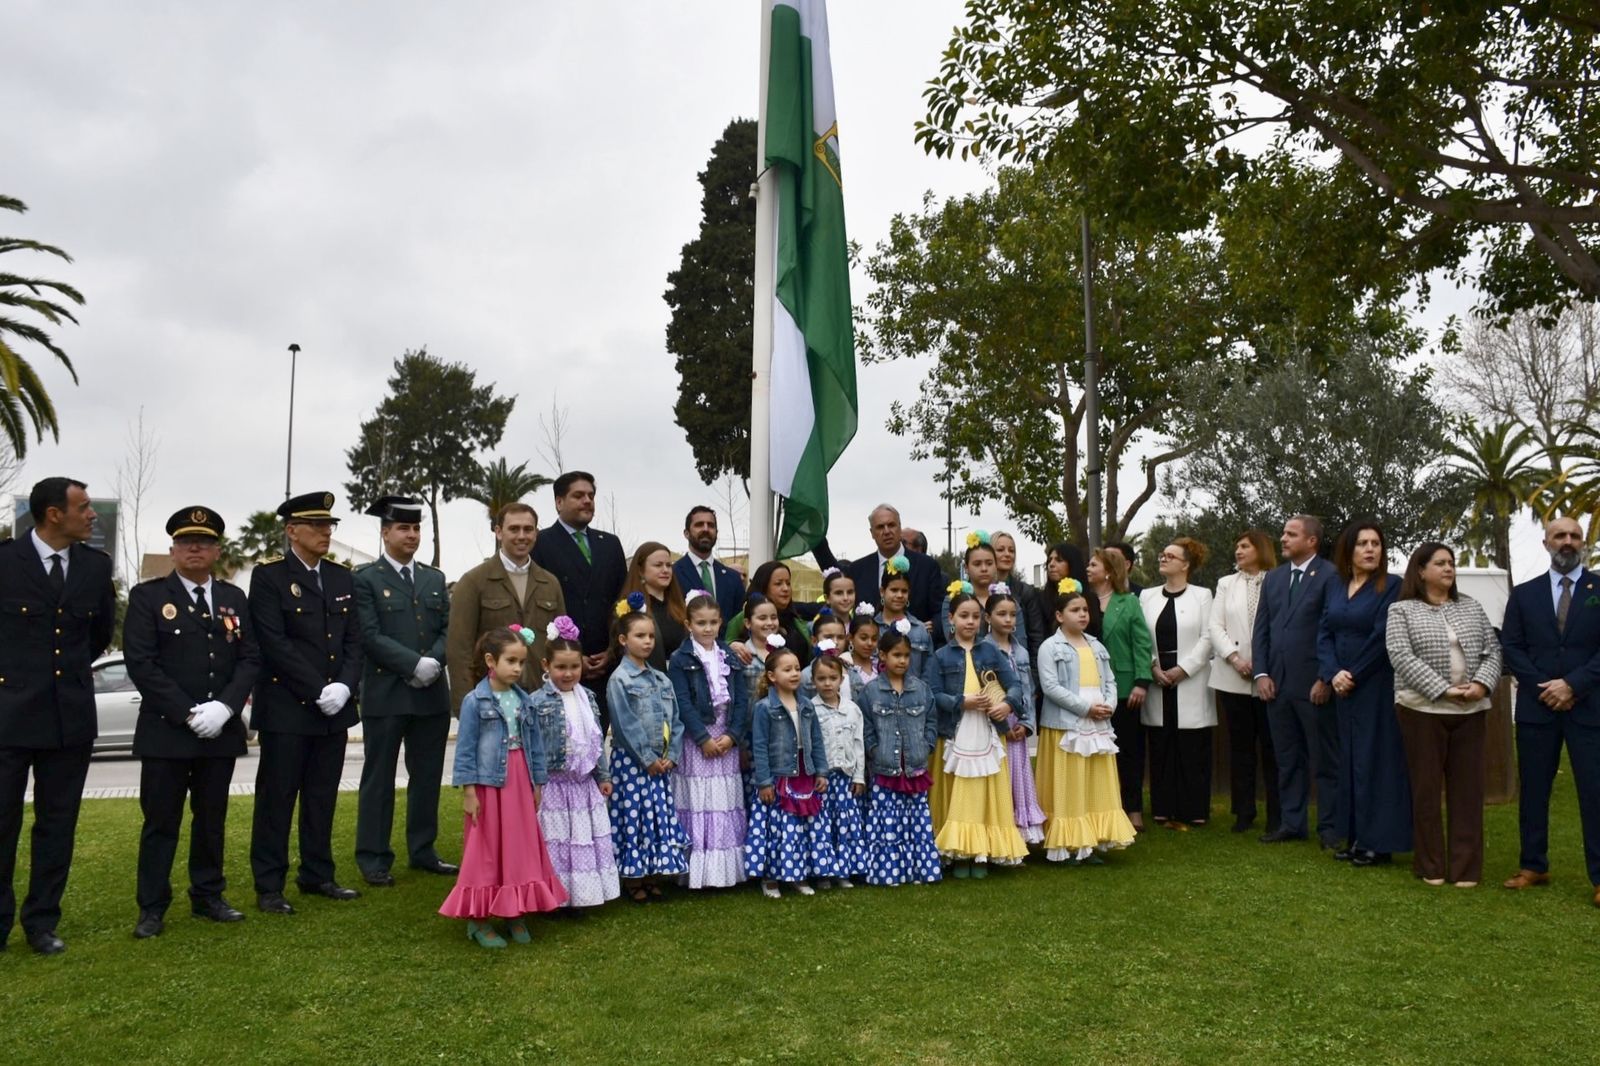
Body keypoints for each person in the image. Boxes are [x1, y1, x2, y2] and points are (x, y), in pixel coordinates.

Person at [123, 506, 257, 939]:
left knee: (211, 819)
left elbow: (251, 657)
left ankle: (208, 896)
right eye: (185, 542)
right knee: (161, 822)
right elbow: (142, 663)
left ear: (217, 550)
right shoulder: (148, 598)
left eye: (202, 541)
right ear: (173, 550)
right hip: (167, 731)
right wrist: (187, 712)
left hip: (219, 731)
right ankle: (152, 907)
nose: (194, 548)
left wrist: (225, 708)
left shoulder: (234, 599)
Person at [0, 477, 113, 955]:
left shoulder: (94, 565)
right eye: (83, 508)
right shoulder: (5, 561)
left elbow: (98, 636)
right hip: (8, 718)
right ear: (53, 514)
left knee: (57, 825)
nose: (91, 516)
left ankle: (41, 922)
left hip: (69, 719)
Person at [248, 492, 365, 914]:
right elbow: (273, 642)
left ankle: (318, 874)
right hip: (287, 707)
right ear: (291, 530)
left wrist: (345, 687)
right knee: (277, 799)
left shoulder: (340, 577)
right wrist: (319, 688)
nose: (325, 532)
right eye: (316, 525)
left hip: (333, 710)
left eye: (329, 525)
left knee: (321, 796)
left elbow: (354, 640)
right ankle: (269, 885)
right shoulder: (269, 577)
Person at [351, 495, 457, 888]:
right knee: (379, 778)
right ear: (385, 533)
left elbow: (450, 628)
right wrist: (413, 664)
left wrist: (434, 661)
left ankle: (423, 849)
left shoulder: (433, 578)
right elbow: (369, 634)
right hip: (386, 692)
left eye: (415, 528)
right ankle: (374, 856)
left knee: (427, 776)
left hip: (430, 694)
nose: (411, 535)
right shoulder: (365, 578)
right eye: (403, 528)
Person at [439, 627, 568, 947]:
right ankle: (478, 920)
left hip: (519, 783)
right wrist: (469, 791)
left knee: (518, 850)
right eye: (511, 660)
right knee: (486, 851)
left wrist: (537, 782)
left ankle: (514, 912)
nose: (517, 668)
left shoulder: (524, 701)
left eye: (521, 662)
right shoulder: (475, 701)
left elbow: (534, 745)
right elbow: (465, 748)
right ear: (490, 660)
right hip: (487, 787)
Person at [1499, 515, 1600, 907]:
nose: (1568, 541)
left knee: (1594, 792)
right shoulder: (1524, 594)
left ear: (1583, 543)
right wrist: (1547, 686)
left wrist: (1573, 684)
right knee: (1534, 790)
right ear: (1546, 544)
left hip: (1588, 706)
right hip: (1537, 709)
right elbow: (1512, 646)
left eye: (1575, 535)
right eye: (1560, 535)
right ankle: (1533, 864)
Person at [1386, 544, 1501, 888]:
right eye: (1440, 563)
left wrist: (1481, 684)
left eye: (1451, 563)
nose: (1449, 568)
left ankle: (1466, 870)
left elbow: (1492, 649)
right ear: (1421, 571)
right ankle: (1431, 866)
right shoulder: (1401, 610)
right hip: (1421, 710)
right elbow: (1400, 655)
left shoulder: (1471, 607)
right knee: (1426, 790)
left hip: (1471, 711)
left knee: (1468, 791)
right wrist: (1443, 689)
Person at [1318, 521, 1409, 866]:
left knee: (1377, 761)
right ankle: (1356, 837)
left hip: (1375, 685)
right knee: (1351, 761)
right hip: (1343, 687)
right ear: (1349, 550)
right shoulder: (1336, 586)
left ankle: (1379, 842)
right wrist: (1331, 673)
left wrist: (1351, 674)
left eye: (1376, 543)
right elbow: (1323, 632)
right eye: (1363, 544)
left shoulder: (1392, 586)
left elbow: (1382, 637)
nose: (1371, 549)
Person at [927, 584, 1028, 876]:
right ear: (951, 619)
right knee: (959, 790)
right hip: (957, 730)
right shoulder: (941, 656)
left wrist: (1008, 705)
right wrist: (963, 701)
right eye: (963, 616)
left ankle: (981, 850)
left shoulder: (991, 651)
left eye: (974, 616)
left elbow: (1014, 683)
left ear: (982, 619)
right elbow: (933, 695)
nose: (969, 622)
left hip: (986, 727)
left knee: (983, 789)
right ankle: (958, 854)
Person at [1254, 515, 1341, 847]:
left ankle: (1330, 827)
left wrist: (1325, 677)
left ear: (1312, 541)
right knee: (1287, 758)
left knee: (1323, 759)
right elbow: (1262, 629)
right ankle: (1293, 822)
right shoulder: (1274, 579)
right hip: (1277, 685)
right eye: (1284, 533)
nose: (1284, 539)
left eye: (1292, 534)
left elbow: (1331, 628)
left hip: (1314, 685)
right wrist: (1261, 673)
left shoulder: (1330, 576)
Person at [1036, 583, 1137, 862]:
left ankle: (1090, 840)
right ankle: (1068, 843)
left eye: (1085, 610)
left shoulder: (1097, 646)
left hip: (1097, 724)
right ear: (1059, 616)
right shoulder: (1050, 647)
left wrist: (1109, 705)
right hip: (1067, 724)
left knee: (1093, 781)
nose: (1082, 615)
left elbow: (1111, 680)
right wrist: (1085, 708)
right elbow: (1051, 686)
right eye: (1074, 610)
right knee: (1070, 781)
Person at [531, 618, 621, 908]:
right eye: (561, 667)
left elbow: (595, 741)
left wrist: (603, 776)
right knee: (557, 843)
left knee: (583, 842)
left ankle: (582, 895)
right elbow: (533, 748)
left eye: (574, 667)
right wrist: (535, 782)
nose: (568, 674)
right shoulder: (536, 701)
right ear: (546, 665)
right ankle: (554, 898)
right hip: (555, 786)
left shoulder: (589, 699)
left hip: (583, 785)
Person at [606, 608, 691, 902]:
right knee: (634, 817)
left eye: (651, 636)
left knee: (656, 817)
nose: (647, 641)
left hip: (660, 763)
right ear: (623, 639)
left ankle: (653, 872)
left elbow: (675, 720)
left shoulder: (661, 680)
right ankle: (633, 877)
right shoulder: (620, 680)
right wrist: (647, 758)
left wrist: (672, 754)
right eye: (640, 636)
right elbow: (624, 723)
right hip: (633, 764)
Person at [666, 591, 749, 890]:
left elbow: (741, 699)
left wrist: (733, 736)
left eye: (713, 622)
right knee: (700, 801)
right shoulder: (680, 659)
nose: (708, 628)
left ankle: (725, 872)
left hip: (725, 736)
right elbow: (682, 702)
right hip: (697, 739)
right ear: (688, 624)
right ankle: (697, 871)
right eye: (701, 623)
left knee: (724, 801)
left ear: (721, 622)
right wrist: (702, 739)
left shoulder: (728, 654)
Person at [446, 502, 565, 711]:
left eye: (528, 529)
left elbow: (560, 645)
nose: (522, 536)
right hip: (492, 701)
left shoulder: (550, 583)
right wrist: (466, 705)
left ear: (536, 534)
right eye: (514, 529)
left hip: (541, 697)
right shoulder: (473, 582)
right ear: (499, 532)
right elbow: (459, 650)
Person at [531, 471, 627, 705]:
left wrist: (612, 650)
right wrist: (573, 656)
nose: (587, 501)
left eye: (591, 496)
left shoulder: (610, 544)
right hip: (562, 668)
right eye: (579, 495)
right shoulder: (540, 544)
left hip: (607, 665)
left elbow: (620, 602)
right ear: (559, 502)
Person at [746, 640, 833, 898]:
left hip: (804, 774)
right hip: (778, 777)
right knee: (777, 830)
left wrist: (821, 771)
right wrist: (763, 782)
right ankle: (771, 878)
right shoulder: (764, 708)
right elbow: (759, 746)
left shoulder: (807, 705)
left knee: (801, 829)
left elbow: (816, 740)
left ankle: (797, 874)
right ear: (772, 676)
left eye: (797, 668)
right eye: (787, 669)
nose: (795, 673)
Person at [1139, 538, 1216, 829]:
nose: (1163, 558)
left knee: (1192, 745)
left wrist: (1184, 669)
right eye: (1162, 553)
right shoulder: (1146, 596)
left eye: (1170, 555)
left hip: (1190, 678)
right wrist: (1153, 666)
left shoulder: (1202, 595)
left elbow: (1208, 637)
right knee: (1161, 743)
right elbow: (1141, 636)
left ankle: (1194, 809)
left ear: (1185, 564)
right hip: (1158, 676)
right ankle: (1163, 807)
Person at [1209, 530, 1280, 834]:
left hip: (1270, 678)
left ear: (1260, 549)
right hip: (1233, 676)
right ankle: (1244, 811)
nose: (1238, 551)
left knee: (1272, 747)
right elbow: (1215, 625)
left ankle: (1277, 814)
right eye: (1236, 546)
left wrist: (1264, 665)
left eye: (1245, 546)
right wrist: (1235, 658)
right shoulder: (1226, 583)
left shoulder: (1276, 580)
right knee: (1241, 748)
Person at [858, 627, 942, 885]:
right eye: (896, 655)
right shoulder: (871, 691)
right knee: (888, 824)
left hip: (915, 767)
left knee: (916, 823)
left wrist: (927, 745)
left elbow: (931, 722)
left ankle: (920, 871)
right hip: (885, 769)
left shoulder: (921, 689)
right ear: (882, 656)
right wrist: (874, 751)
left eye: (906, 655)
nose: (902, 660)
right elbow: (866, 728)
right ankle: (888, 873)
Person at [1086, 548, 1153, 829]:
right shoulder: (1082, 602)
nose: (1087, 568)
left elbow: (1142, 643)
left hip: (1125, 689)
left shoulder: (1129, 602)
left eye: (1093, 565)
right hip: (1088, 688)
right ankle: (1099, 807)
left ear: (1109, 572)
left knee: (1128, 750)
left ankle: (1133, 809)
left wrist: (1141, 682)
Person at [985, 589, 1046, 847]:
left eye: (1012, 615)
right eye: (1001, 614)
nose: (1008, 620)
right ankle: (1000, 836)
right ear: (988, 617)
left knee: (1018, 777)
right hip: (994, 727)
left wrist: (1026, 723)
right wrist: (1001, 725)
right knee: (999, 777)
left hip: (1017, 725)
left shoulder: (1020, 652)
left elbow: (1028, 689)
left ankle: (1020, 837)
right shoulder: (982, 651)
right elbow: (984, 690)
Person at [823, 503, 943, 627]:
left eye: (891, 525)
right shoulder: (858, 570)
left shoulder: (927, 567)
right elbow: (833, 579)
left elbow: (940, 613)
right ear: (872, 533)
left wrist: (927, 631)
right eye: (880, 527)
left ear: (900, 528)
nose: (886, 531)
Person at [809, 654, 867, 889]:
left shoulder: (852, 709)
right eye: (821, 678)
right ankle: (824, 872)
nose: (827, 683)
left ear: (842, 679)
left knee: (844, 825)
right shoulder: (810, 709)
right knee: (821, 825)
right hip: (823, 779)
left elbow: (858, 743)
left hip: (845, 777)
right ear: (813, 681)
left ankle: (843, 870)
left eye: (833, 678)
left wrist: (859, 776)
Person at [672, 506, 746, 633]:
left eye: (711, 525)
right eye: (699, 525)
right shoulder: (673, 574)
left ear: (716, 532)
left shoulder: (732, 578)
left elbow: (739, 623)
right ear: (686, 533)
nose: (706, 529)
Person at [726, 561, 812, 666]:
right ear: (764, 586)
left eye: (788, 583)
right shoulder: (744, 616)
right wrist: (731, 645)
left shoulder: (797, 621)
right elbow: (723, 644)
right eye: (778, 583)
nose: (785, 588)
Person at [620, 541, 689, 670]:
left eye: (669, 565)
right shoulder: (628, 608)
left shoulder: (680, 606)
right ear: (641, 571)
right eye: (658, 565)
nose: (665, 570)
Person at [876, 559, 933, 675]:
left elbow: (929, 672)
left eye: (904, 591)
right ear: (882, 591)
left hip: (916, 692)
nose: (899, 595)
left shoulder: (920, 630)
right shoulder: (872, 627)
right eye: (894, 590)